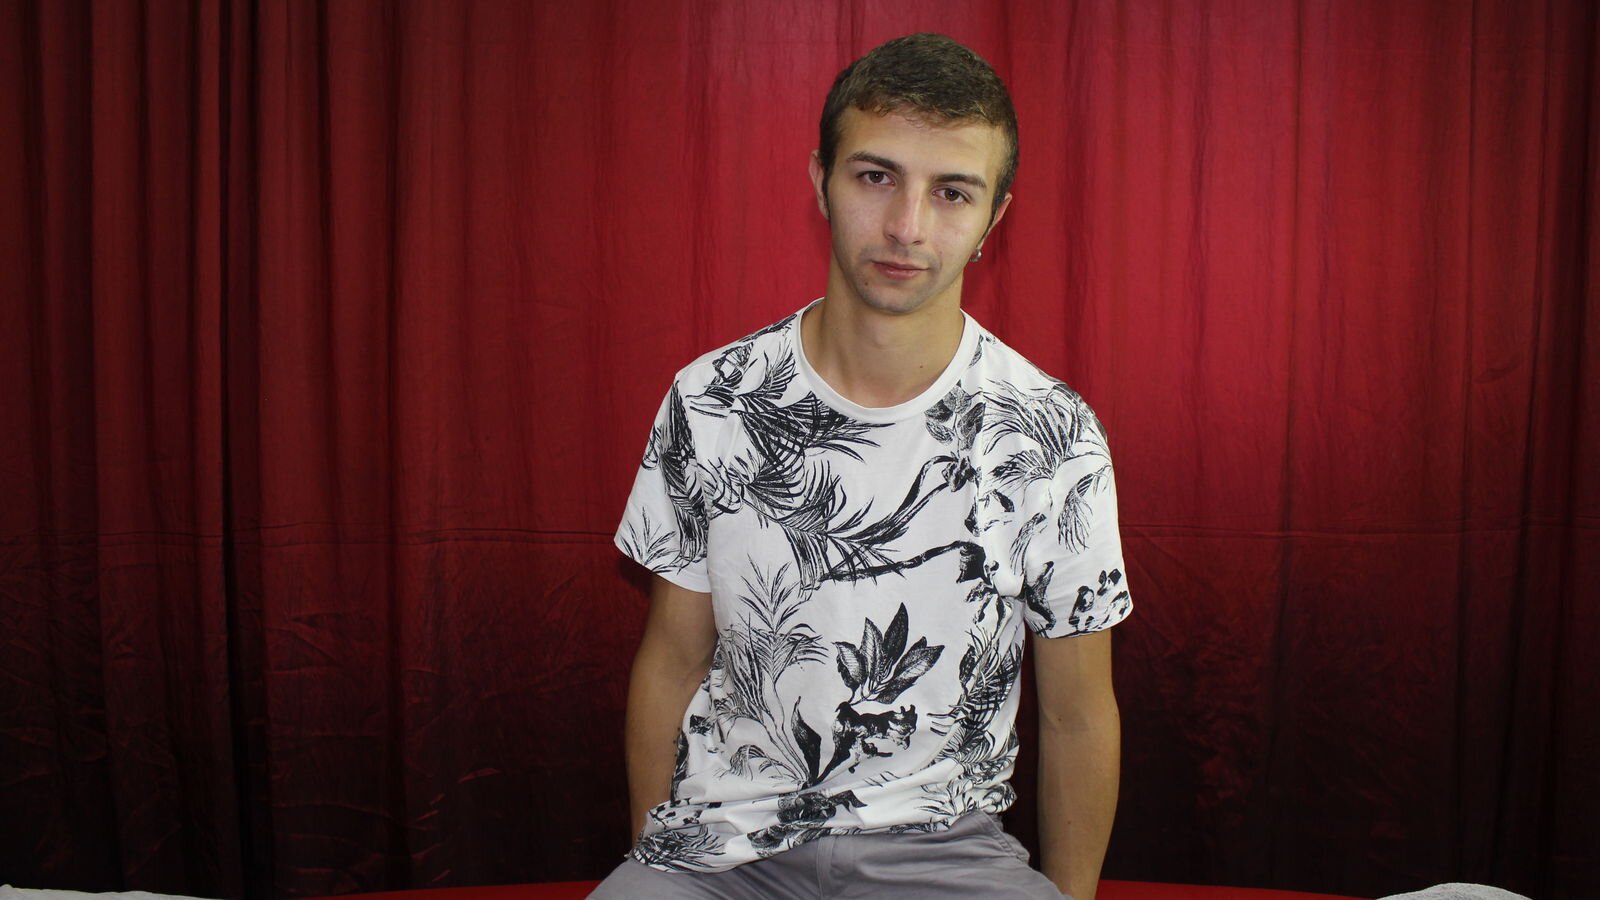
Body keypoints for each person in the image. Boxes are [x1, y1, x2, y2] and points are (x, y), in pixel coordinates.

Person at [595, 32, 1131, 900]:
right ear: (821, 181)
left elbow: (1077, 714)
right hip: (721, 850)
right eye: (876, 176)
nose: (906, 227)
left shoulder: (1050, 434)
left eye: (951, 192)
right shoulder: (713, 399)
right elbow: (672, 661)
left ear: (994, 217)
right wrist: (658, 859)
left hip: (950, 855)